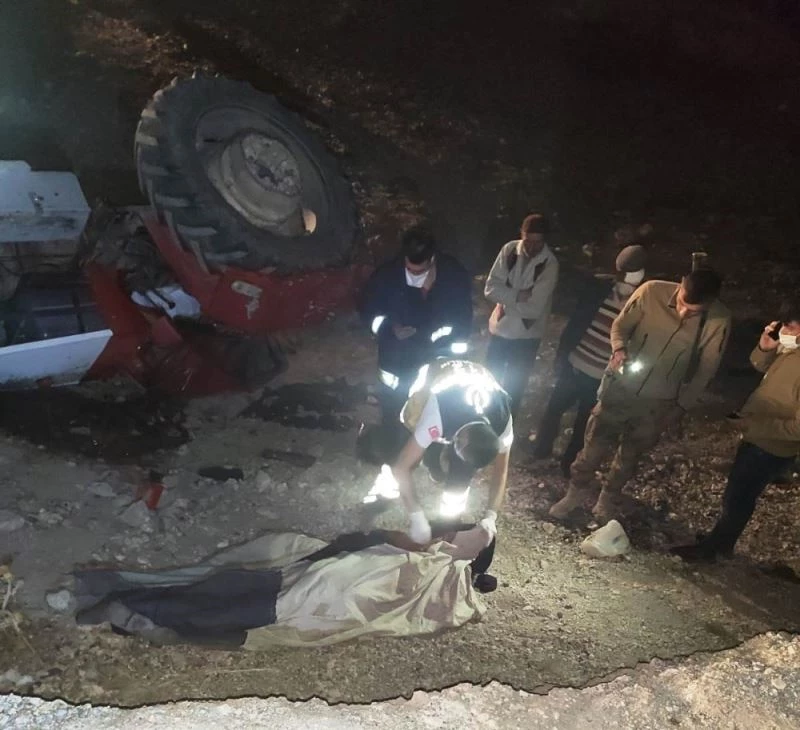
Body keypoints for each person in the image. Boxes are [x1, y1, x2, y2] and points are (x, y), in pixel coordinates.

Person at [549, 268, 731, 523]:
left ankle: (607, 500)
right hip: (620, 388)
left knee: (630, 456)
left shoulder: (718, 319)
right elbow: (620, 325)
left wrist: (681, 406)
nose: (683, 313)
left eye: (693, 312)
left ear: (710, 303)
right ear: (680, 284)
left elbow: (706, 369)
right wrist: (619, 348)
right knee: (593, 445)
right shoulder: (651, 291)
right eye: (682, 303)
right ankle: (574, 494)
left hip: (658, 402)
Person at [672, 309, 800, 562]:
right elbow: (761, 366)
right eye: (784, 326)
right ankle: (722, 541)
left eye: (791, 328)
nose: (784, 332)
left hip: (770, 446)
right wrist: (765, 348)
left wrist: (753, 425)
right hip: (759, 439)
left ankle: (712, 550)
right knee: (740, 494)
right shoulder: (791, 352)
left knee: (738, 497)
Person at [364, 359, 513, 546]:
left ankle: (447, 522)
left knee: (461, 475)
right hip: (435, 383)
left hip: (480, 387)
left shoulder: (503, 421)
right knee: (402, 451)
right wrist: (417, 516)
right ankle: (383, 495)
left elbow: (501, 471)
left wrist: (491, 516)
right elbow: (401, 467)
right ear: (458, 439)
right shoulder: (438, 412)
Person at [532, 244, 648, 475]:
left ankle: (569, 465)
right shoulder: (599, 289)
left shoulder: (641, 304)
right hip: (576, 363)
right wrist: (562, 355)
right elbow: (576, 323)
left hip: (600, 376)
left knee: (583, 424)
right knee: (554, 410)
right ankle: (541, 451)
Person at [360, 226, 472, 426]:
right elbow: (369, 311)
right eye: (410, 268)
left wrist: (445, 354)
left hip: (436, 361)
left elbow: (461, 322)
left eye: (420, 271)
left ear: (432, 260)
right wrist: (390, 329)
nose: (413, 273)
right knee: (395, 416)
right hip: (396, 362)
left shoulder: (453, 277)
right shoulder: (386, 276)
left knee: (432, 417)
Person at [484, 213, 559, 419]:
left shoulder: (550, 264)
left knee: (514, 388)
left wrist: (506, 298)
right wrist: (518, 296)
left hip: (527, 336)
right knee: (488, 381)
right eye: (528, 241)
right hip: (499, 330)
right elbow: (490, 290)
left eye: (538, 242)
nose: (532, 247)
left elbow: (534, 309)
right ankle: (483, 421)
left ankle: (506, 424)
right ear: (521, 234)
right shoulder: (509, 250)